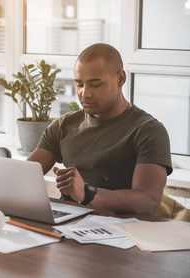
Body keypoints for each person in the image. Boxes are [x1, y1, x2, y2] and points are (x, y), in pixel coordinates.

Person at [27, 43, 172, 215]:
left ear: (120, 79)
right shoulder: (62, 126)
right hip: (66, 228)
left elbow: (148, 201)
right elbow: (22, 177)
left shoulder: (148, 131)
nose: (85, 93)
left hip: (121, 234)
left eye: (95, 85)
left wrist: (87, 193)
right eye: (79, 84)